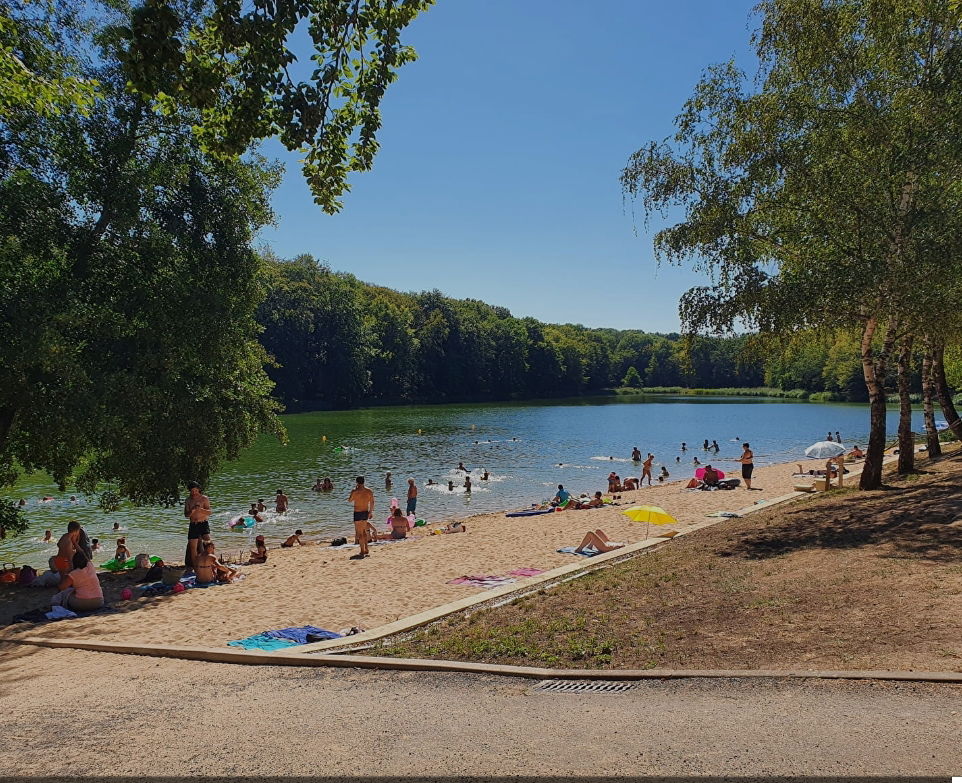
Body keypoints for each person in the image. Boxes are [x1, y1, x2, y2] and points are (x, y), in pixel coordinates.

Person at [184, 480, 211, 571]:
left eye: (195, 490)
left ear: (199, 489)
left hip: (203, 523)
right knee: (193, 547)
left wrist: (200, 509)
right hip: (193, 524)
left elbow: (209, 512)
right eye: (192, 491)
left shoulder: (204, 498)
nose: (194, 493)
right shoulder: (188, 500)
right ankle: (196, 568)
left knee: (208, 542)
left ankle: (210, 563)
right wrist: (192, 510)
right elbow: (186, 515)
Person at [348, 476, 375, 560]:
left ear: (357, 482)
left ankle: (362, 550)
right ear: (364, 482)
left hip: (357, 513)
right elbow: (372, 502)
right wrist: (370, 512)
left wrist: (355, 490)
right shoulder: (369, 491)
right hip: (365, 512)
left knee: (359, 533)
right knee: (364, 531)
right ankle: (366, 548)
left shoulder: (355, 491)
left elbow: (350, 500)